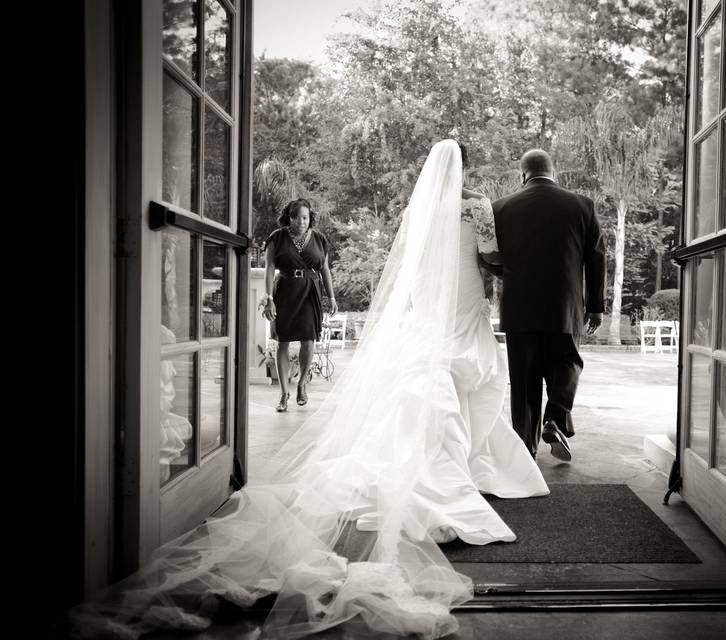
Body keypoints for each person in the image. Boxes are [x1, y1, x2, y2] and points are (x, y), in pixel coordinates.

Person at [70, 140, 547, 640]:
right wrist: (509, 270)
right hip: (464, 299)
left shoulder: (418, 207)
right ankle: (461, 466)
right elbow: (490, 256)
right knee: (476, 381)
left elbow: (409, 263)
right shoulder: (476, 205)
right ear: (465, 167)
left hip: (430, 305)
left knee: (430, 382)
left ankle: (442, 460)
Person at [481, 149, 606, 462]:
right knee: (567, 363)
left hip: (519, 307)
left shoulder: (500, 208)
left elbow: (488, 257)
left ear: (522, 175)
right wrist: (595, 305)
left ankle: (525, 449)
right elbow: (596, 258)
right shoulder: (581, 205)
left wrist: (509, 273)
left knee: (525, 381)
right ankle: (556, 416)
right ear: (554, 171)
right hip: (565, 306)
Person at [261, 198, 338, 411]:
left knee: (309, 338)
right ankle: (283, 393)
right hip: (284, 291)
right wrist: (268, 297)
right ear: (289, 218)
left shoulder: (320, 239)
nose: (301, 222)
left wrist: (331, 297)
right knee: (282, 340)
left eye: (305, 217)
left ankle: (302, 384)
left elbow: (324, 270)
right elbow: (269, 268)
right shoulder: (277, 237)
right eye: (296, 217)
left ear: (309, 217)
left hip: (310, 292)